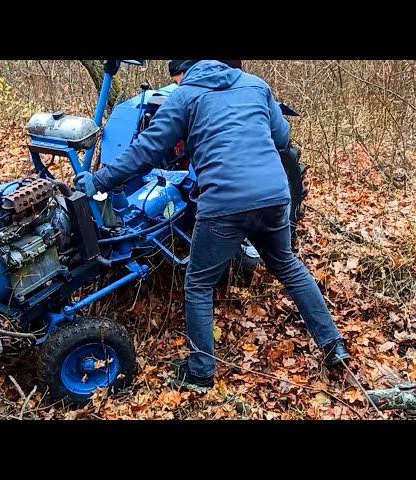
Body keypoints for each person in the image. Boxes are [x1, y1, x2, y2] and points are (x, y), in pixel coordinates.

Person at [75, 60, 350, 390]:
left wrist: (100, 179)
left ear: (184, 72)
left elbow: (148, 151)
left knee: (199, 284)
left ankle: (201, 372)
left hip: (224, 203)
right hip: (275, 196)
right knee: (288, 266)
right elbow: (282, 136)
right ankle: (334, 345)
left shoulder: (185, 95)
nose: (176, 82)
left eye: (176, 77)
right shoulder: (255, 84)